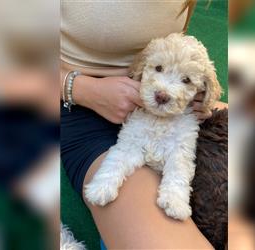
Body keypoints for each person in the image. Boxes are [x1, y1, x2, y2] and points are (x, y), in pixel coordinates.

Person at [61, 1, 226, 248]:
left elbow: (171, 46)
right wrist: (83, 89)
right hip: (77, 105)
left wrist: (196, 94)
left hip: (170, 109)